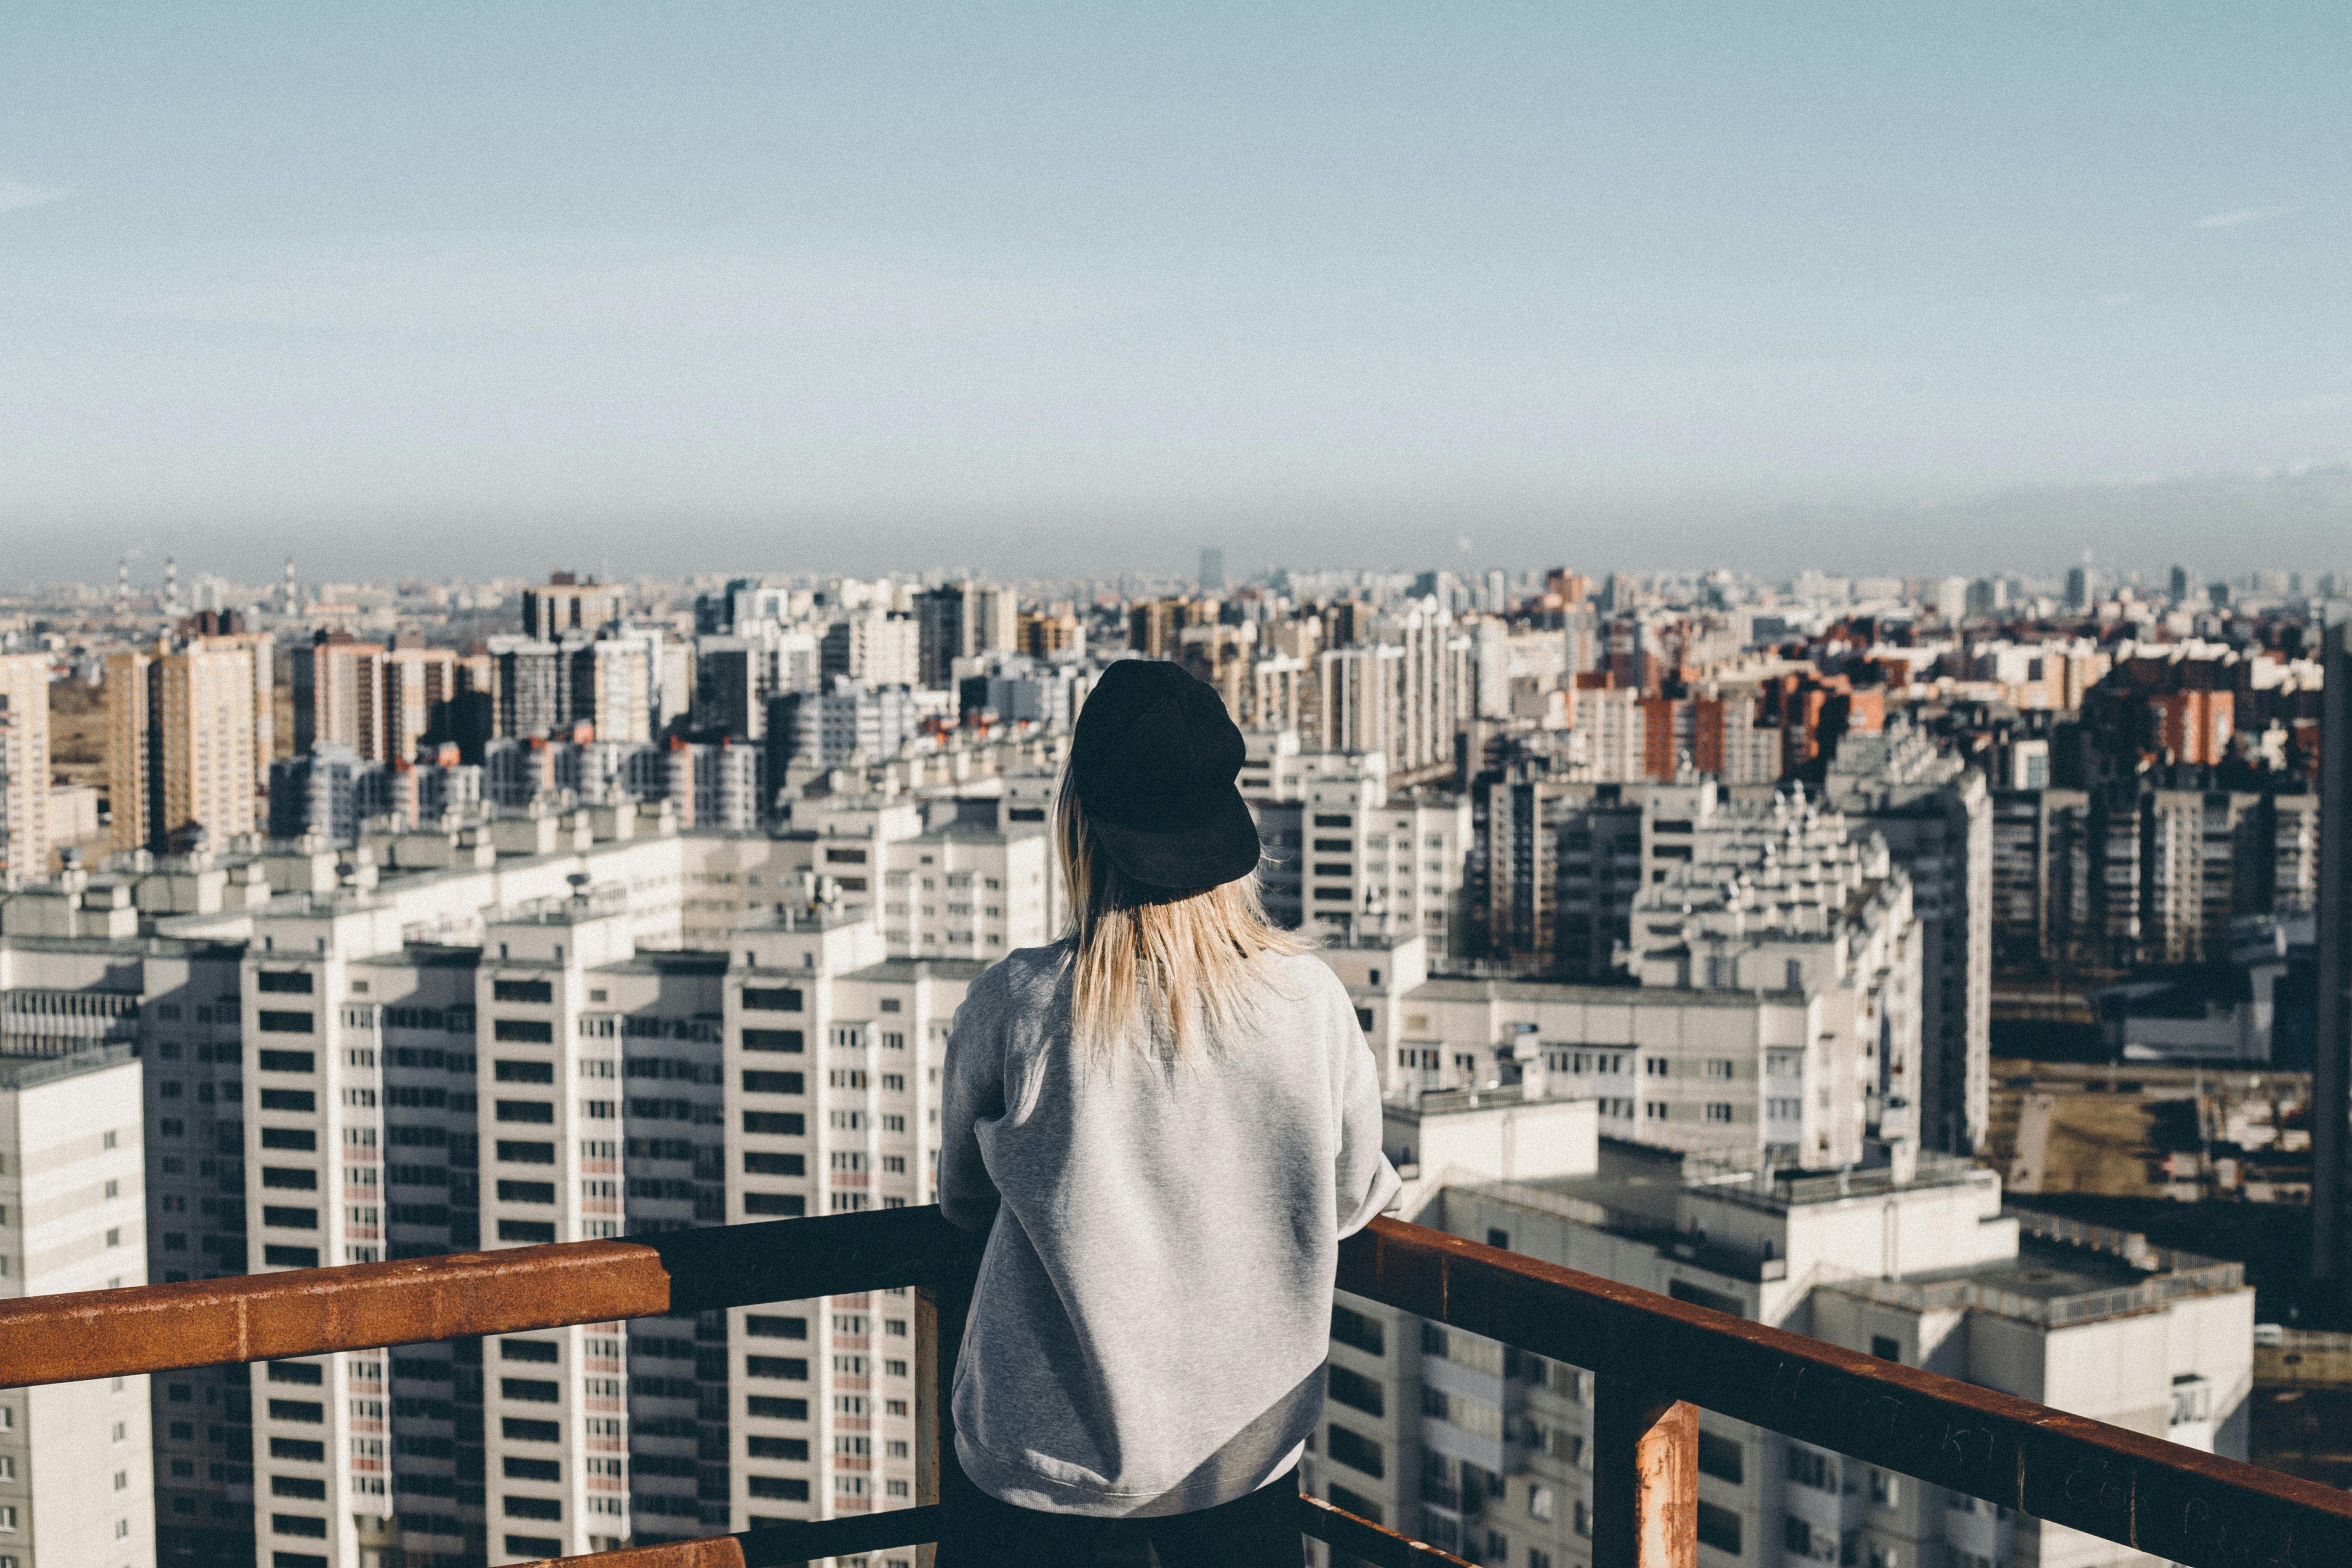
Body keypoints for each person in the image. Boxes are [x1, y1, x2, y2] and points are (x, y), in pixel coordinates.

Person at [937, 658, 1401, 1567]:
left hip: (1039, 1492)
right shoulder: (1310, 1004)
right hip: (1239, 1481)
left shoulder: (1018, 1006)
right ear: (1232, 828)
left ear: (1079, 828)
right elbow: (1348, 1202)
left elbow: (962, 1200)